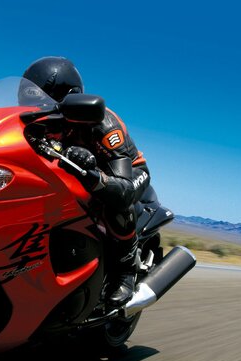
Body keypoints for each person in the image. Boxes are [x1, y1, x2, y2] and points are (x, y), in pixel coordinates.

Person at [23, 56, 151, 306]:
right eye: (30, 98)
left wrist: (94, 173)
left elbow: (123, 187)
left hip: (125, 174)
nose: (35, 105)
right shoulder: (38, 118)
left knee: (114, 201)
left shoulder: (103, 126)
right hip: (76, 169)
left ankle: (126, 270)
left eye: (42, 99)